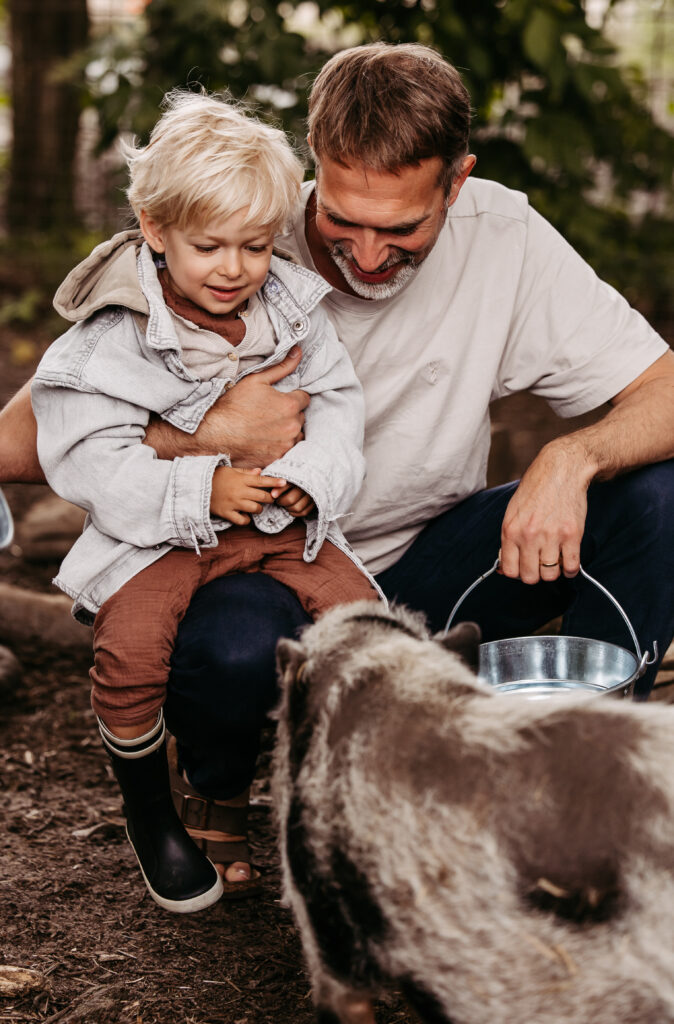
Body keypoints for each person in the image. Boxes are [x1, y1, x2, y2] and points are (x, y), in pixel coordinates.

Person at [2, 43, 673, 902]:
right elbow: (24, 441)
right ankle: (213, 774)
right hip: (248, 558)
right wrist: (204, 433)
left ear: (456, 182)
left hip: (423, 559)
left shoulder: (503, 237)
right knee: (233, 647)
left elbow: (664, 389)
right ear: (314, 164)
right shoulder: (229, 227)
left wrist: (570, 456)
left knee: (657, 495)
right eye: (341, 221)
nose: (364, 253)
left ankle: (587, 779)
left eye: (401, 229)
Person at [29, 90, 378, 913]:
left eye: (255, 246)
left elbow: (338, 405)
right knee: (132, 652)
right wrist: (201, 485)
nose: (235, 268)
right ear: (154, 230)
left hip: (277, 524)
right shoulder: (108, 338)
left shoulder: (294, 310)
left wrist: (314, 475)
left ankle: (354, 805)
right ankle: (152, 811)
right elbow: (84, 459)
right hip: (158, 536)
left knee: (366, 626)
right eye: (208, 245)